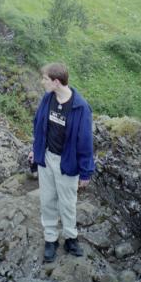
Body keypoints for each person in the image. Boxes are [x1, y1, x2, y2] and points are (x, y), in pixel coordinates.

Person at [28, 62, 95, 263]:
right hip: (47, 159)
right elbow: (38, 126)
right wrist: (35, 150)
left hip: (67, 163)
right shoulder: (47, 99)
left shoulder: (80, 107)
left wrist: (85, 172)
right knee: (47, 200)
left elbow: (85, 142)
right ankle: (51, 239)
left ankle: (70, 238)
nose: (42, 82)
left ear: (56, 82)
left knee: (67, 203)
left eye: (45, 79)